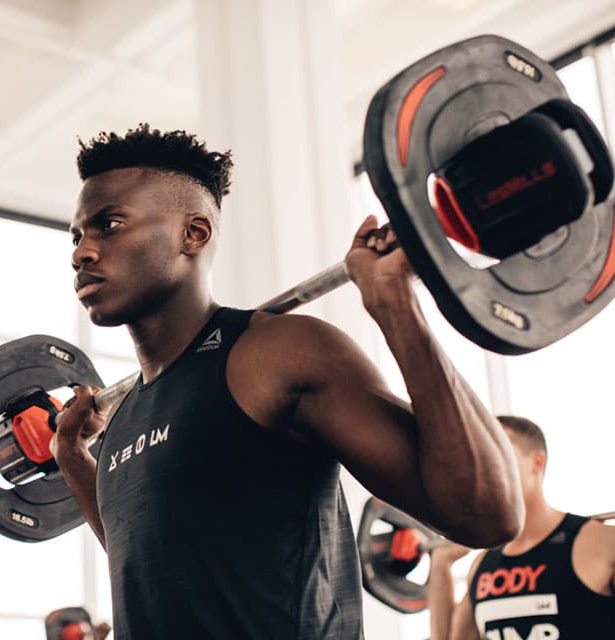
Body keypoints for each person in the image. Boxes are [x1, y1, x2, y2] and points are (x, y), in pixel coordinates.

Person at [50, 123, 524, 638]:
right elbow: (147, 568)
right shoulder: (124, 424)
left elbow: (487, 515)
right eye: (78, 235)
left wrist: (396, 305)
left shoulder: (275, 354)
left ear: (194, 234)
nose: (82, 253)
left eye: (110, 225)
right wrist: (72, 459)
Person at [428, 415, 615, 639]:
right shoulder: (483, 566)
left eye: (496, 453)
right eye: (477, 456)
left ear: (537, 462)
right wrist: (440, 565)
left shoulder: (602, 544)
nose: (483, 467)